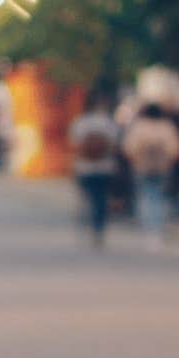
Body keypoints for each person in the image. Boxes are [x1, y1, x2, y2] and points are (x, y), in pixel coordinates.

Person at [121, 103, 179, 242]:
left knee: (144, 195)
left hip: (141, 166)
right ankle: (157, 227)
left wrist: (135, 160)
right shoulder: (167, 126)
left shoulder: (139, 126)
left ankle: (146, 227)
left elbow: (129, 147)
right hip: (163, 166)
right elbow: (176, 149)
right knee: (160, 196)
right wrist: (169, 161)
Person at [69, 94, 122, 248]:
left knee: (87, 198)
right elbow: (115, 144)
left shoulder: (80, 122)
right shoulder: (108, 123)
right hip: (105, 167)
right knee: (102, 200)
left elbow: (74, 144)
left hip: (84, 167)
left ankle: (88, 225)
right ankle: (98, 227)